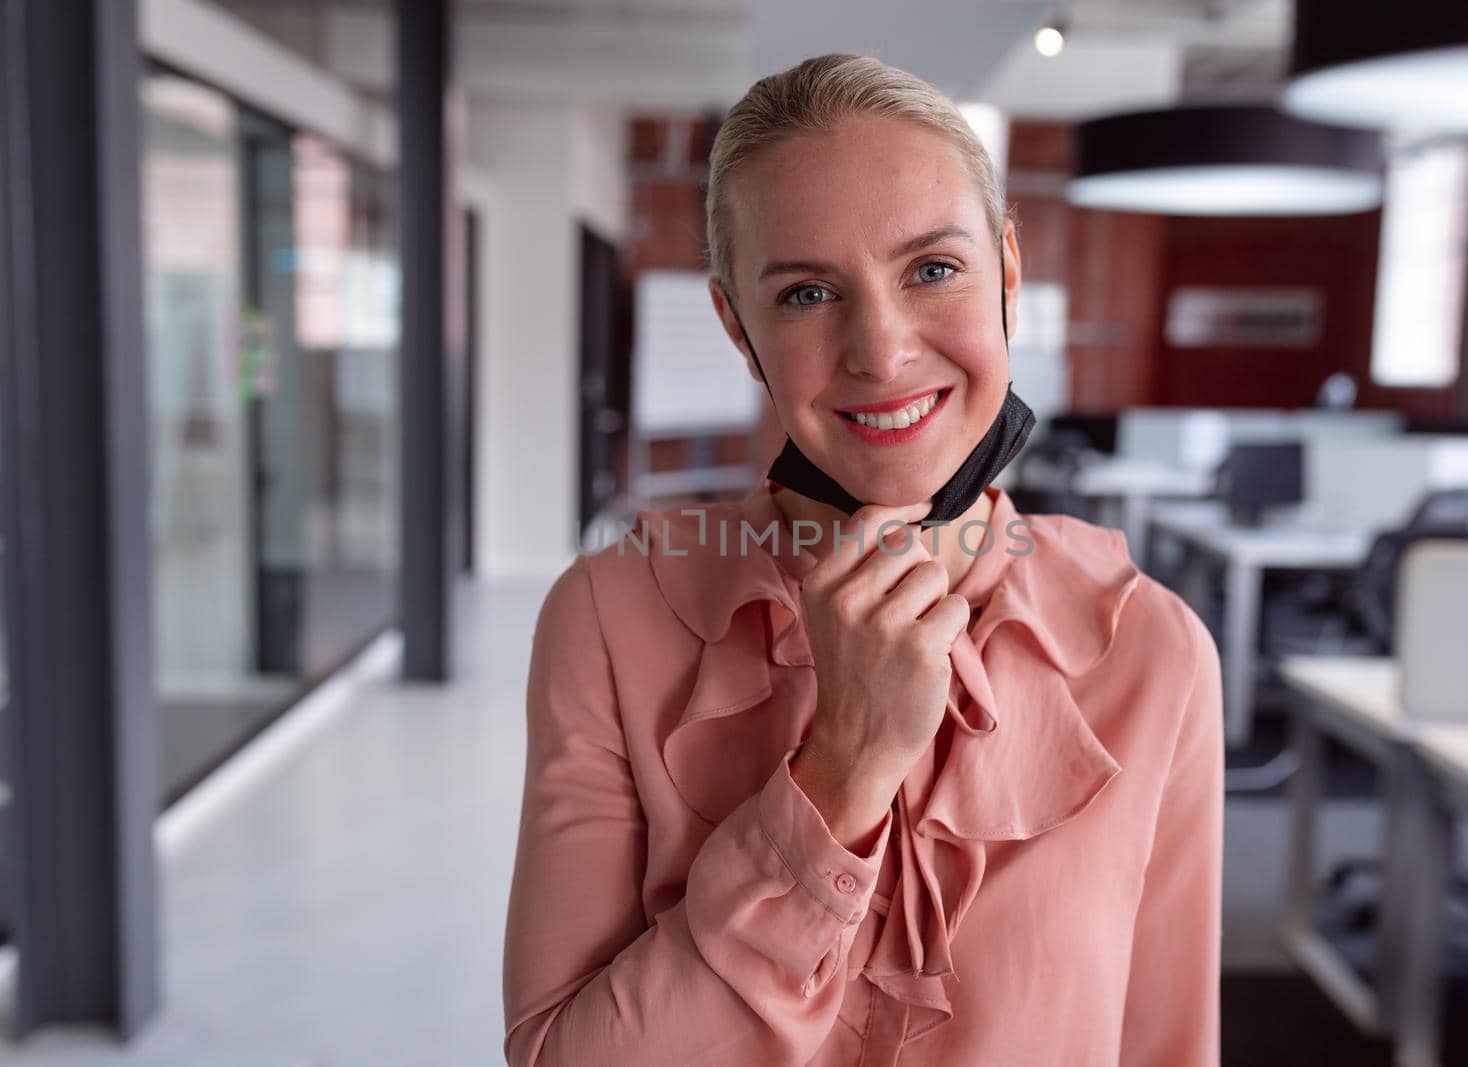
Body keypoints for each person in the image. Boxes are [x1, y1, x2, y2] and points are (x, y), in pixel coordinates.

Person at [502, 53, 1223, 1066]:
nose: (880, 350)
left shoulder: (1151, 648)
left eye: (933, 268)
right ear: (737, 327)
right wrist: (839, 773)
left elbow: (1167, 1045)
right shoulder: (611, 617)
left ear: (1006, 272)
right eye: (804, 293)